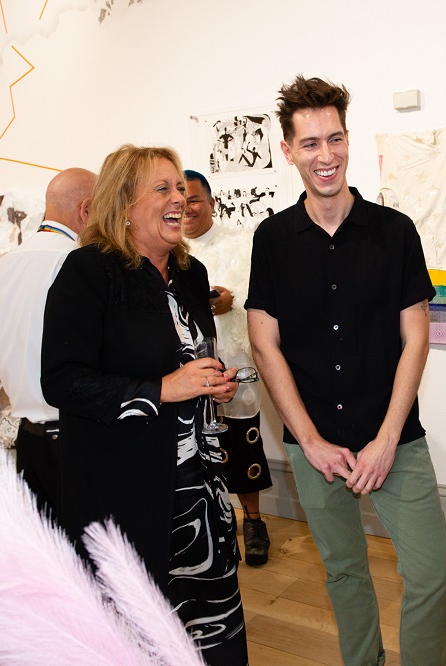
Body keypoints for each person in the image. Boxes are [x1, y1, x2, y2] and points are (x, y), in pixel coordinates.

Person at [246, 75, 446, 666]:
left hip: (395, 439)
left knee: (433, 574)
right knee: (343, 574)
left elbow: (416, 336)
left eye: (334, 139)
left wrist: (387, 439)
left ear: (347, 140)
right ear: (289, 151)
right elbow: (265, 344)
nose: (326, 155)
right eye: (310, 143)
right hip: (316, 447)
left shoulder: (394, 231)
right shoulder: (273, 239)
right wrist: (309, 441)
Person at [41, 145, 248, 665]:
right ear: (124, 203)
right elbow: (61, 382)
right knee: (136, 634)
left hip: (198, 490)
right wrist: (162, 389)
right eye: (164, 189)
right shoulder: (89, 272)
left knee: (209, 627)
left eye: (181, 188)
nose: (180, 198)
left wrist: (211, 384)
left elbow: (188, 361)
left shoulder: (190, 275)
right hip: (127, 492)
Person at [0, 167, 96, 519]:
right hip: (77, 436)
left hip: (29, 438)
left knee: (46, 555)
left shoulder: (5, 264)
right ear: (87, 210)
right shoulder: (77, 263)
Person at [182, 169, 274, 566]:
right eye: (178, 200)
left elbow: (260, 293)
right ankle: (207, 522)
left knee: (241, 443)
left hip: (233, 364)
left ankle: (253, 521)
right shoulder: (163, 248)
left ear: (211, 203)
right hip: (183, 370)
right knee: (193, 445)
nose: (185, 208)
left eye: (194, 200)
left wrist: (231, 299)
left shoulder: (241, 244)